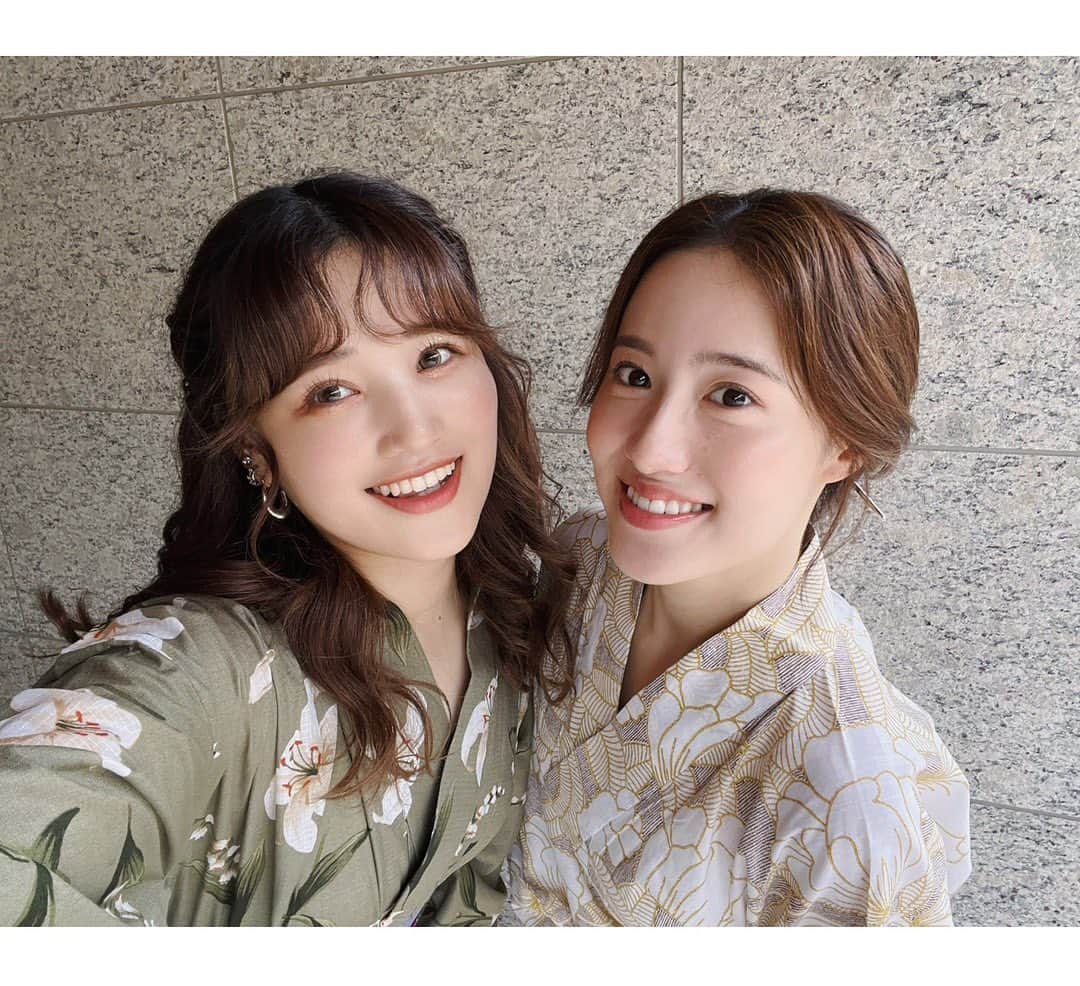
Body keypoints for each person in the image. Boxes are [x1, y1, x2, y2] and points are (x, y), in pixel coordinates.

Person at [0, 172, 573, 926]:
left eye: (434, 355)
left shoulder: (512, 619)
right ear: (256, 451)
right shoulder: (201, 666)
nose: (415, 429)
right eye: (331, 391)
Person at [502, 188, 972, 926]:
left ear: (845, 444)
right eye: (634, 375)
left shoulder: (849, 794)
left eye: (731, 395)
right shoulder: (580, 562)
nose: (651, 449)